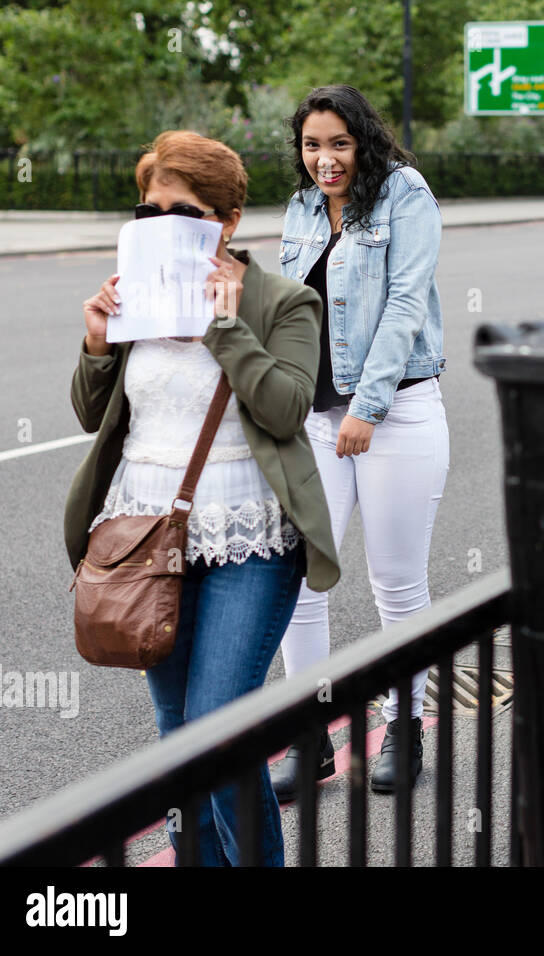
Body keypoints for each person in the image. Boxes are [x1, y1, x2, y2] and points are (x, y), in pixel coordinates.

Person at [64, 130, 340, 866]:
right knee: (179, 732)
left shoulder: (282, 300)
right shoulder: (135, 297)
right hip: (147, 534)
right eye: (147, 210)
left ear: (225, 220)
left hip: (251, 533)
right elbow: (97, 417)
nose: (159, 226)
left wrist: (223, 327)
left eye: (179, 210)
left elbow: (285, 410)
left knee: (219, 727)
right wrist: (96, 343)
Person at [269, 85, 449, 800]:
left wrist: (367, 407)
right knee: (299, 580)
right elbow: (286, 309)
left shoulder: (404, 193)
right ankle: (310, 735)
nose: (324, 160)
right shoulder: (303, 207)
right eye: (312, 145)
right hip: (314, 419)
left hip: (396, 412)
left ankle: (404, 723)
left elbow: (407, 301)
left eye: (338, 143)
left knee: (396, 583)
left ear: (363, 140)